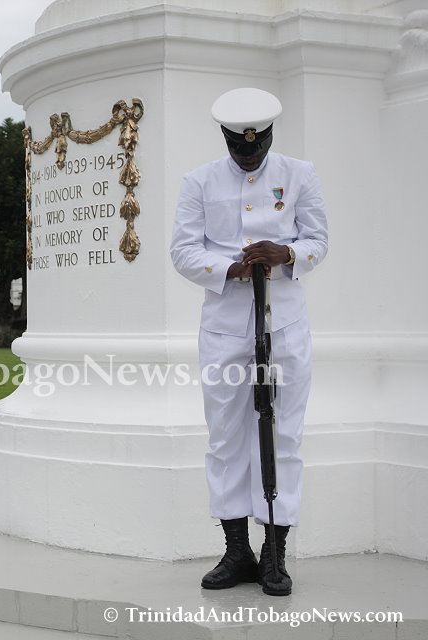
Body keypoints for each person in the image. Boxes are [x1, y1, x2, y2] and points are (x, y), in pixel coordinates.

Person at [170, 88, 329, 597]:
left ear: (270, 137)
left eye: (256, 148)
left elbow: (318, 240)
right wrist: (231, 267)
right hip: (224, 325)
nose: (249, 156)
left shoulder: (300, 174)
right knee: (225, 436)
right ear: (226, 139)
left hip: (284, 322)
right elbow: (182, 251)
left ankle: (274, 554)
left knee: (284, 434)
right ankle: (236, 550)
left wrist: (287, 253)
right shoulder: (199, 181)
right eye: (240, 148)